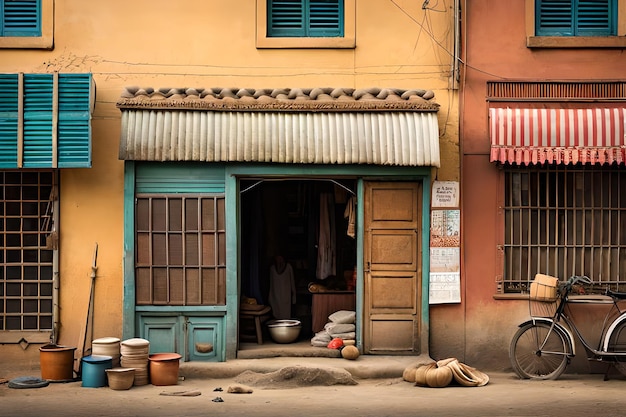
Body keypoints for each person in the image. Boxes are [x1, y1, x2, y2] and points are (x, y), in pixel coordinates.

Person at [268, 255, 296, 320]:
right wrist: (270, 298)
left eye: (280, 257)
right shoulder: (272, 269)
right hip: (276, 298)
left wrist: (294, 297)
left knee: (285, 317)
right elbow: (271, 285)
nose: (279, 259)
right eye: (277, 257)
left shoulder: (288, 267)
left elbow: (292, 282)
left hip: (286, 298)